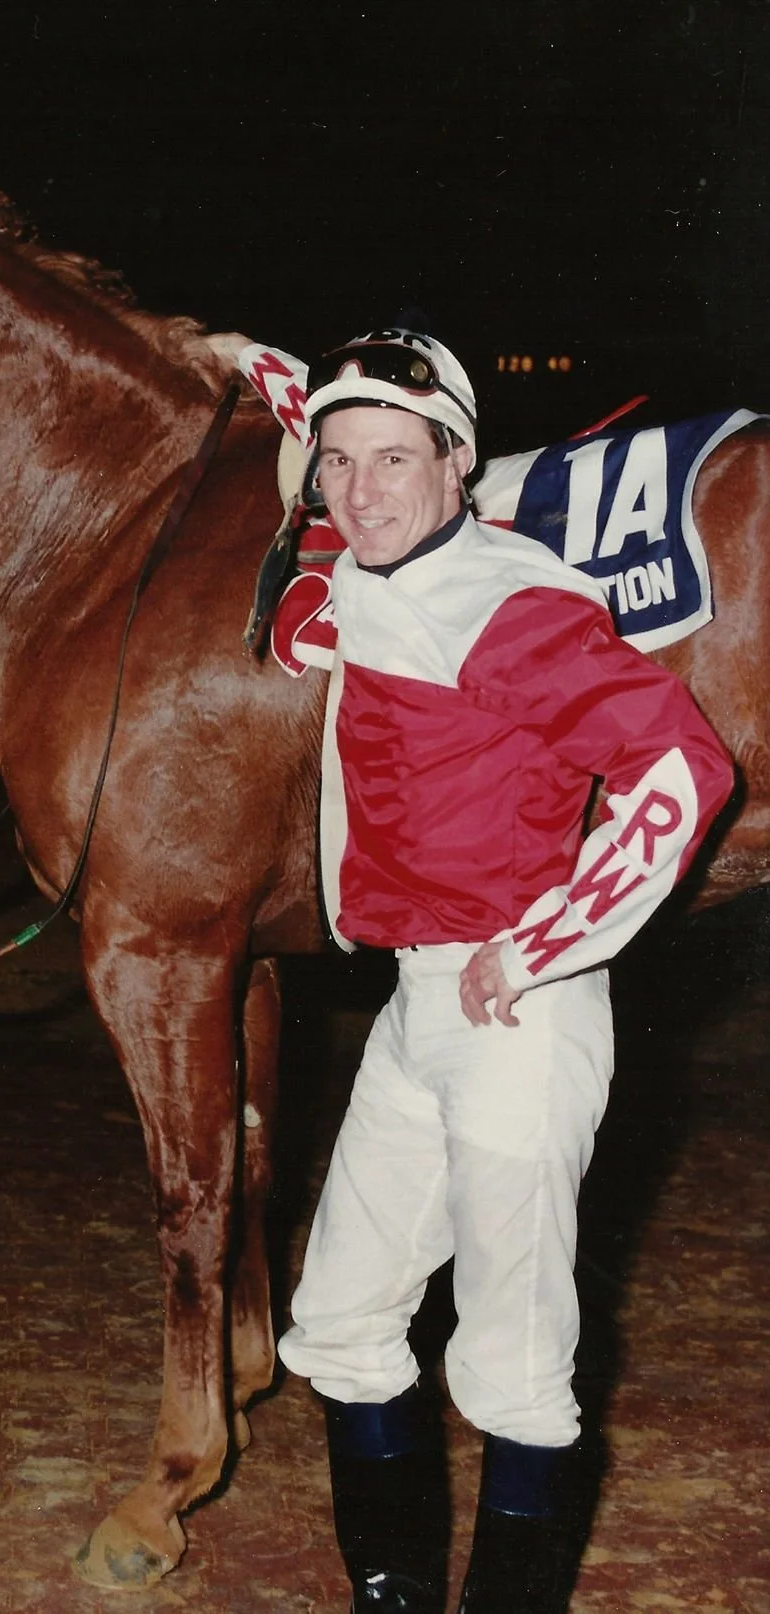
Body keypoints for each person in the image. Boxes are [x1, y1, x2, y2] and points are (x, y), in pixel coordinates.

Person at [276, 330, 734, 1612]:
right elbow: (281, 446)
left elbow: (679, 767)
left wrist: (549, 935)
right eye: (338, 463)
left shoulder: (505, 605)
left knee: (513, 1368)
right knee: (344, 1324)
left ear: (458, 466)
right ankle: (396, 1593)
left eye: (394, 459)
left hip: (516, 1016)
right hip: (415, 1007)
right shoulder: (369, 556)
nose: (360, 490)